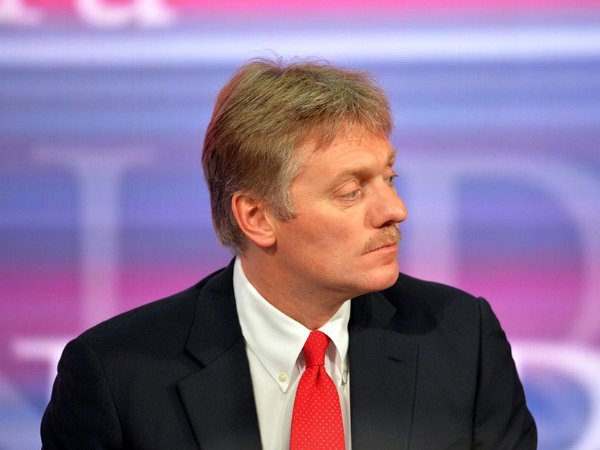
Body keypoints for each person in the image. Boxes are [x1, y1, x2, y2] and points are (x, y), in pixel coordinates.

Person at [41, 58, 537, 449]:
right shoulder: (116, 374)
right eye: (350, 191)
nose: (396, 210)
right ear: (257, 217)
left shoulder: (461, 338)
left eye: (389, 178)